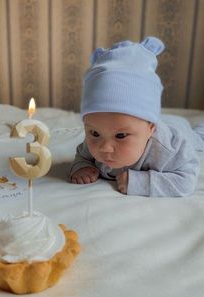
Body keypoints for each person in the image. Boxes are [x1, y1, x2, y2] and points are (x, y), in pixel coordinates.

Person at [69, 36, 204, 197]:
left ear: (150, 128)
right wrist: (81, 167)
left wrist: (140, 182)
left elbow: (186, 179)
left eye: (120, 135)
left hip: (180, 128)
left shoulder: (170, 148)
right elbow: (82, 155)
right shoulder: (98, 137)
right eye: (94, 133)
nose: (104, 148)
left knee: (198, 138)